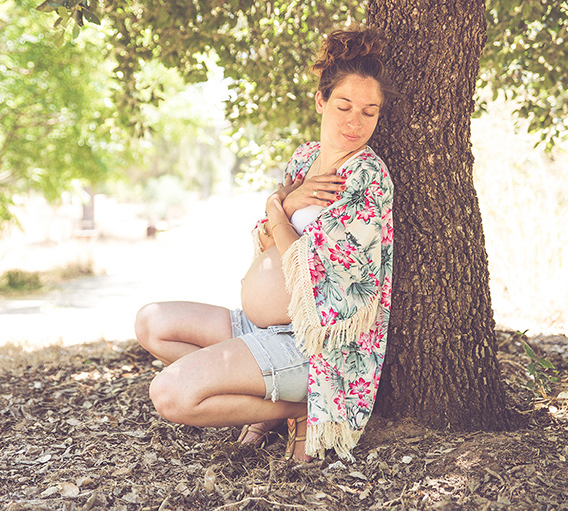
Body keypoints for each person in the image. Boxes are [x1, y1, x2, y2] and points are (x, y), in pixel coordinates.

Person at [134, 26, 395, 462]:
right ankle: (271, 400)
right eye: (344, 106)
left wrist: (277, 206)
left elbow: (314, 266)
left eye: (369, 112)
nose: (355, 122)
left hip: (311, 345)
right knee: (151, 323)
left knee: (170, 394)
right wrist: (283, 207)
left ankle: (305, 407)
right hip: (262, 327)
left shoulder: (367, 176)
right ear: (321, 101)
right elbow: (267, 238)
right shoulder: (305, 158)